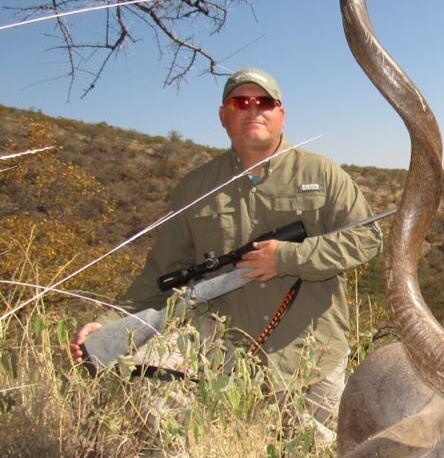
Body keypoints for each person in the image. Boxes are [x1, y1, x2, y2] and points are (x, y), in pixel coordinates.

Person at [71, 67, 384, 437]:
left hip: (313, 356)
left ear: (281, 113)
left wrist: (286, 258)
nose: (254, 110)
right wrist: (110, 324)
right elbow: (160, 272)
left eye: (265, 102)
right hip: (223, 359)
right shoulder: (196, 187)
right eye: (241, 102)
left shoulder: (323, 172)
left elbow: (366, 239)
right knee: (207, 444)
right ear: (224, 115)